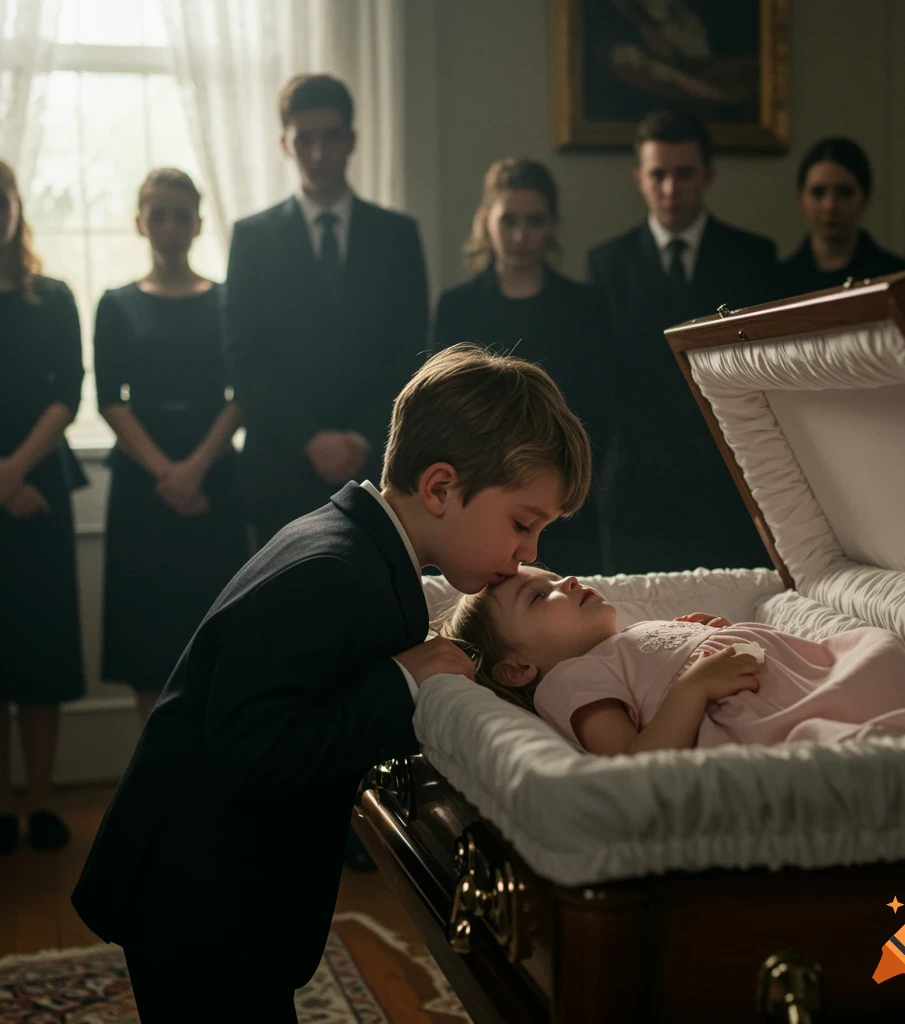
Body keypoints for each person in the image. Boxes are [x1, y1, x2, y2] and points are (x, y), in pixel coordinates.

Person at [72, 344, 592, 1023]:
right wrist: (399, 681)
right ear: (440, 488)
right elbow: (248, 751)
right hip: (197, 896)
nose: (529, 553)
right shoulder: (334, 570)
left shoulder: (362, 547)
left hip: (221, 889)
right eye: (523, 524)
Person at [443, 566, 905, 756]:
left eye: (554, 573)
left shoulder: (621, 641)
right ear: (518, 669)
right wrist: (693, 684)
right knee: (840, 735)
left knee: (876, 649)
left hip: (804, 670)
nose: (565, 579)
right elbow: (631, 763)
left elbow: (658, 660)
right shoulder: (569, 681)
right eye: (537, 595)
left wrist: (695, 637)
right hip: (767, 713)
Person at [224, 73, 429, 550]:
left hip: (378, 462)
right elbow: (242, 357)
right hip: (281, 463)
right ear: (285, 144)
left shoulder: (396, 235)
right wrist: (311, 438)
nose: (317, 153)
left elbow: (412, 349)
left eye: (330, 137)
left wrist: (358, 436)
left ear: (352, 140)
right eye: (304, 140)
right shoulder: (251, 238)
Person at [587, 109, 776, 575]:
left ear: (708, 175)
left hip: (728, 485)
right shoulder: (606, 263)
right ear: (639, 178)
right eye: (658, 175)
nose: (671, 189)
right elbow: (601, 380)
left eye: (684, 173)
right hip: (635, 488)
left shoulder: (753, 259)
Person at [94, 169, 248, 724]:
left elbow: (243, 391)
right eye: (157, 214)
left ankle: (210, 786)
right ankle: (153, 783)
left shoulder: (227, 301)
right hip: (144, 485)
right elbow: (111, 399)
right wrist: (169, 474)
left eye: (180, 214)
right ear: (140, 222)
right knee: (148, 640)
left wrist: (196, 469)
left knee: (213, 630)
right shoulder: (115, 304)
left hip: (215, 480)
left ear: (198, 223)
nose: (169, 225)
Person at [433, 157, 613, 574]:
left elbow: (600, 406)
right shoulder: (456, 306)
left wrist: (563, 480)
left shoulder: (585, 306)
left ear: (551, 225)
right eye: (508, 219)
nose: (519, 235)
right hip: (478, 494)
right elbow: (444, 407)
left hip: (564, 498)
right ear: (485, 221)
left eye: (534, 221)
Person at [0, 159, 85, 853]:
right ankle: (1, 806)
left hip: (42, 496)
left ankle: (41, 801)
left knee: (41, 656)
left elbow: (69, 391)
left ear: (16, 208)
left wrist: (14, 470)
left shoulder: (52, 296)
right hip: (7, 492)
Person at [778, 137, 905, 299]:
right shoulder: (779, 281)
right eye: (818, 193)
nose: (830, 205)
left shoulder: (896, 278)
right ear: (801, 197)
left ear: (865, 197)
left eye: (844, 192)